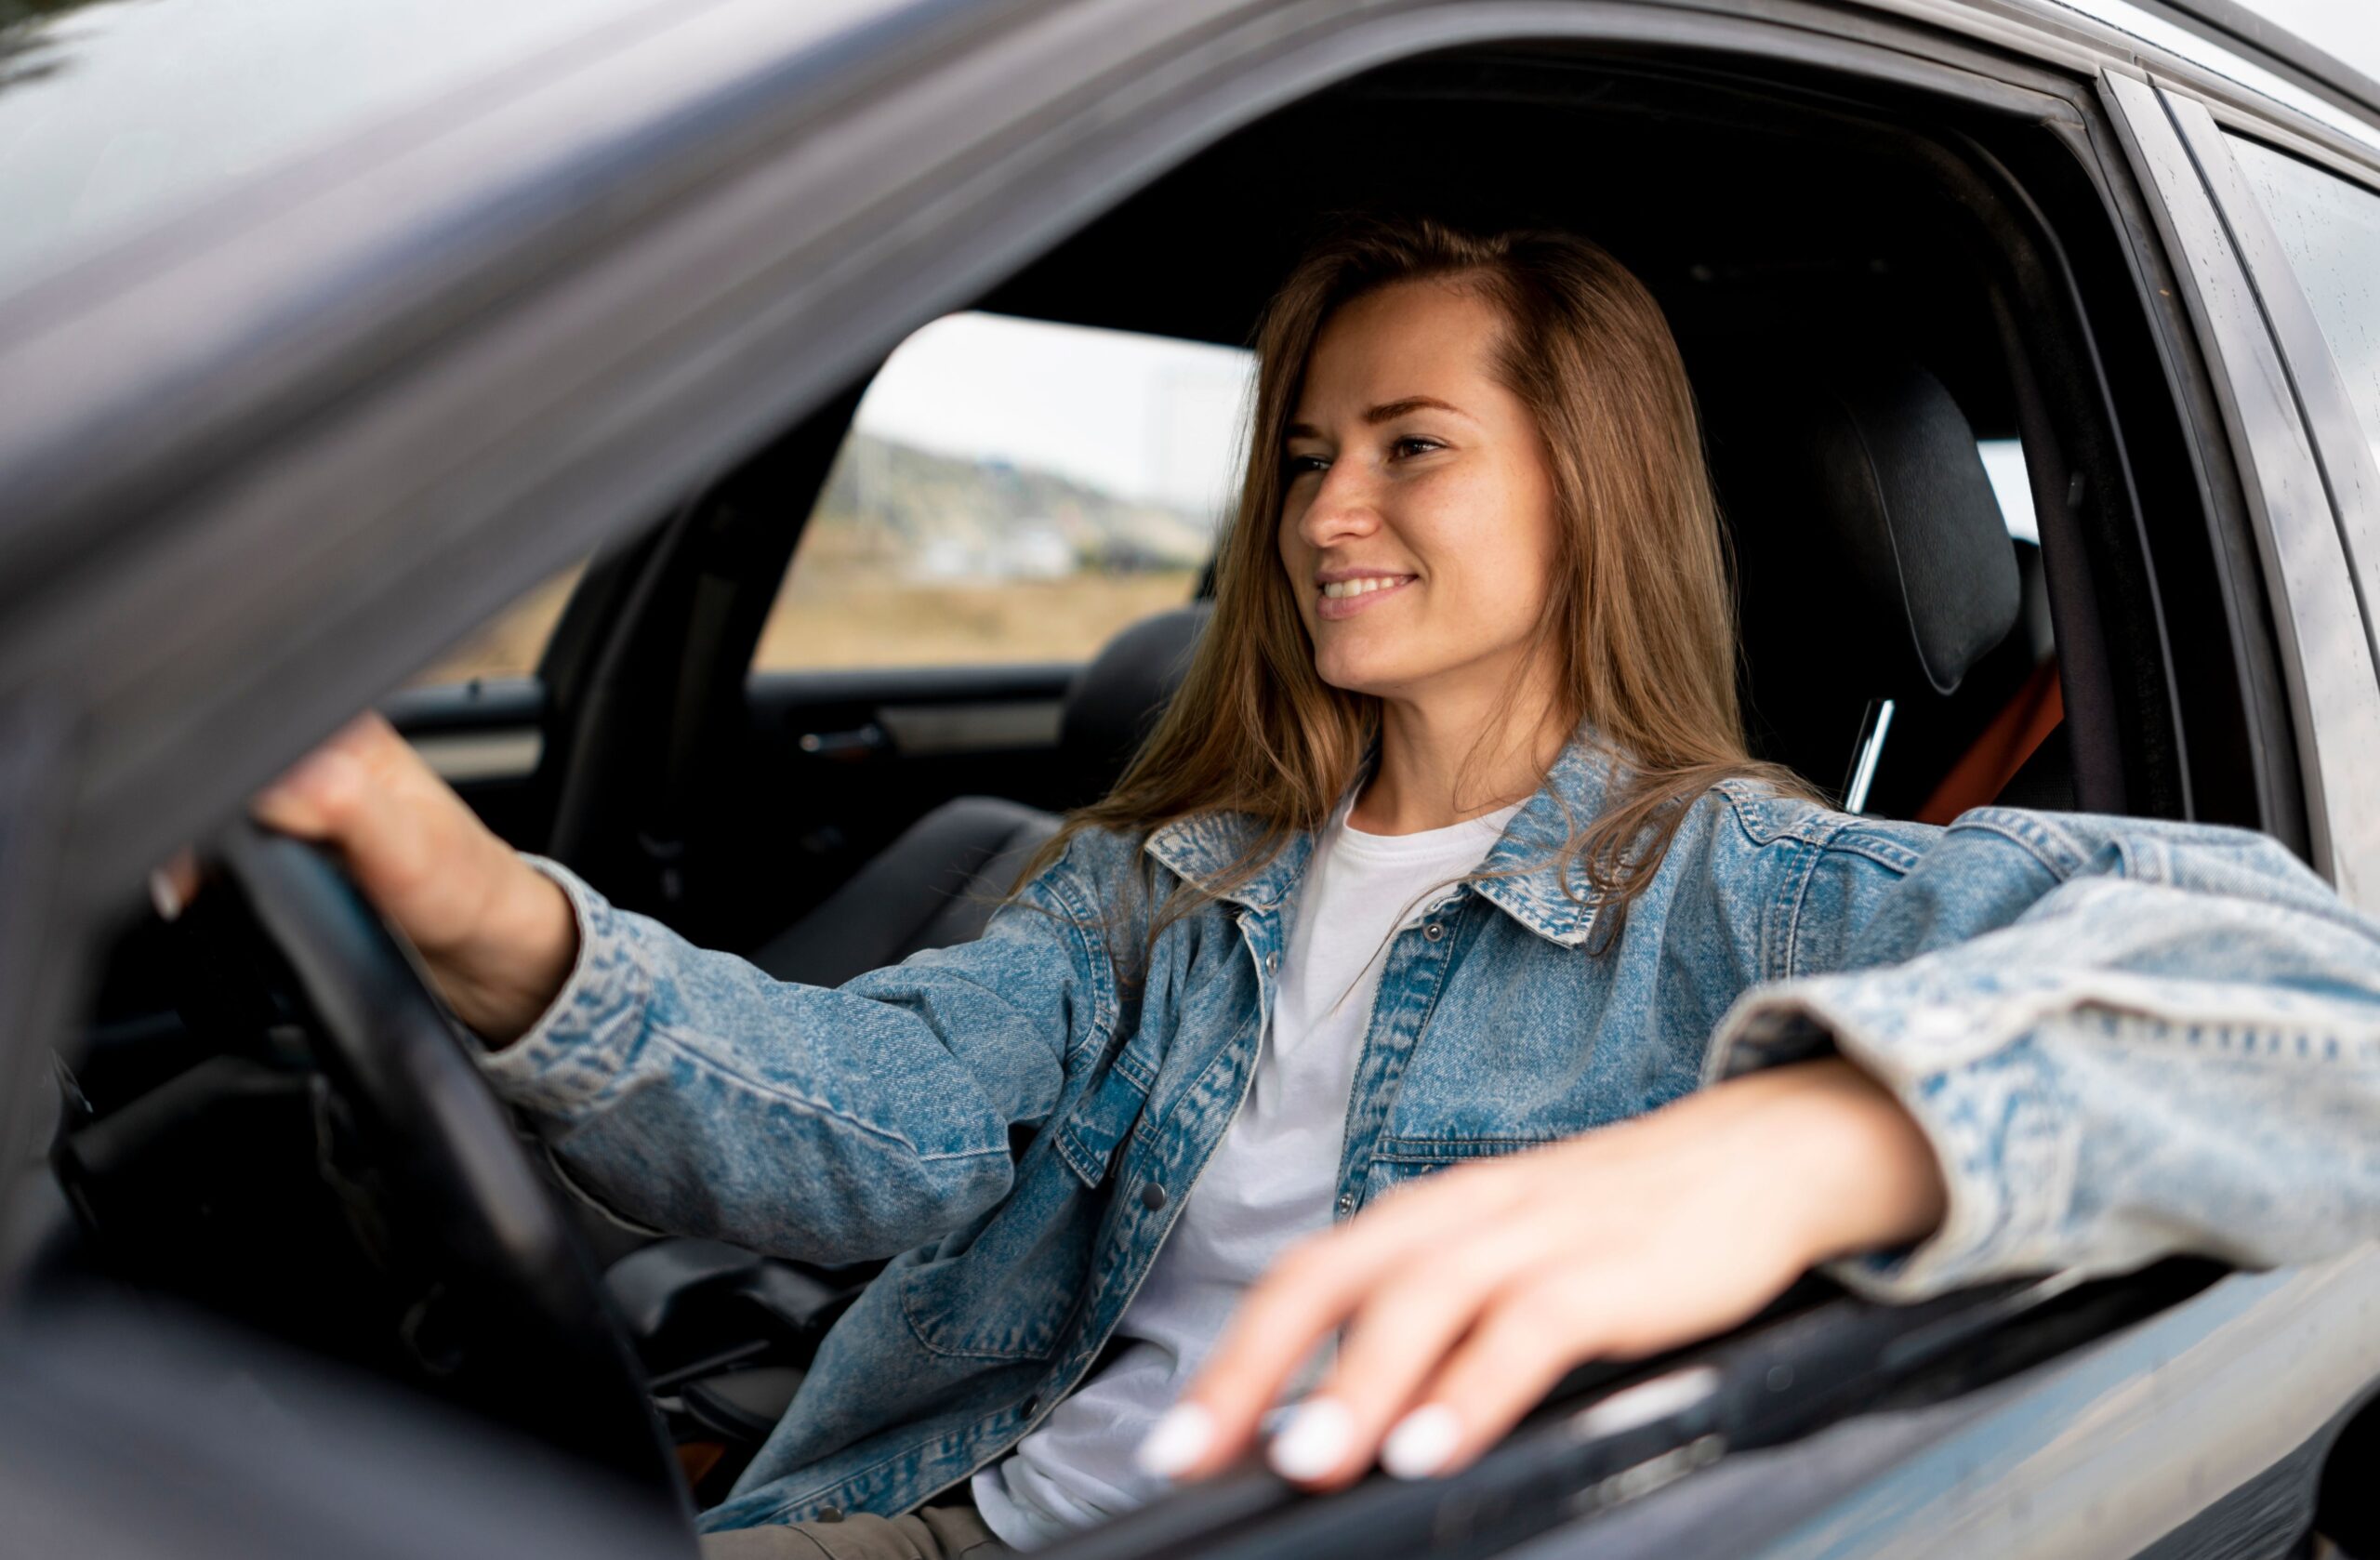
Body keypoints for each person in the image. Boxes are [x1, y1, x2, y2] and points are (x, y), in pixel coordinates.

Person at [238, 218, 2380, 1556]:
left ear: (1587, 491)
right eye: (1298, 455)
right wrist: (462, 889)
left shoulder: (1761, 889)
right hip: (941, 1516)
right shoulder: (1166, 878)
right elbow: (861, 1124)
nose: (1320, 507)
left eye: (1408, 443)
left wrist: (1805, 1137)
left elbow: (2321, 1000)